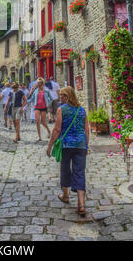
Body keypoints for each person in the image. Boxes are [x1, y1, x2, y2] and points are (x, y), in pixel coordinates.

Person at [46, 87, 89, 216]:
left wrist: (50, 146)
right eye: (60, 96)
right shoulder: (82, 110)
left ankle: (65, 195)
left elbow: (57, 129)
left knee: (65, 169)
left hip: (66, 145)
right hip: (80, 145)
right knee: (79, 172)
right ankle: (81, 203)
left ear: (68, 96)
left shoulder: (61, 110)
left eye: (62, 96)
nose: (60, 98)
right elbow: (86, 130)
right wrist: (86, 145)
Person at [27, 77, 52, 142]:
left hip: (44, 107)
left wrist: (48, 103)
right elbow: (32, 98)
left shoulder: (46, 91)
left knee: (43, 122)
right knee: (37, 121)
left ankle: (48, 131)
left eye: (40, 84)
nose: (39, 85)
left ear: (43, 84)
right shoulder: (36, 91)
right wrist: (26, 102)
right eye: (38, 84)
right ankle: (39, 136)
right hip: (37, 107)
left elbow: (51, 98)